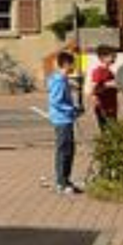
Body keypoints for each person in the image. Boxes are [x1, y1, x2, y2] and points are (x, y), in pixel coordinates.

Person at [45, 50, 83, 194]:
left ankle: (66, 179)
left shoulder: (63, 79)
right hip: (62, 120)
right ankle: (61, 182)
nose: (74, 67)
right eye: (72, 64)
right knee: (64, 151)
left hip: (66, 118)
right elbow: (55, 101)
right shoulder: (59, 81)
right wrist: (72, 109)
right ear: (66, 64)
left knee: (69, 150)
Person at [89, 46, 121, 130]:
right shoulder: (99, 71)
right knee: (109, 131)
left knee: (113, 131)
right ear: (103, 58)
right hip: (104, 108)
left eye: (114, 56)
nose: (114, 58)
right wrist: (108, 85)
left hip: (111, 107)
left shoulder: (110, 72)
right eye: (112, 56)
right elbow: (93, 89)